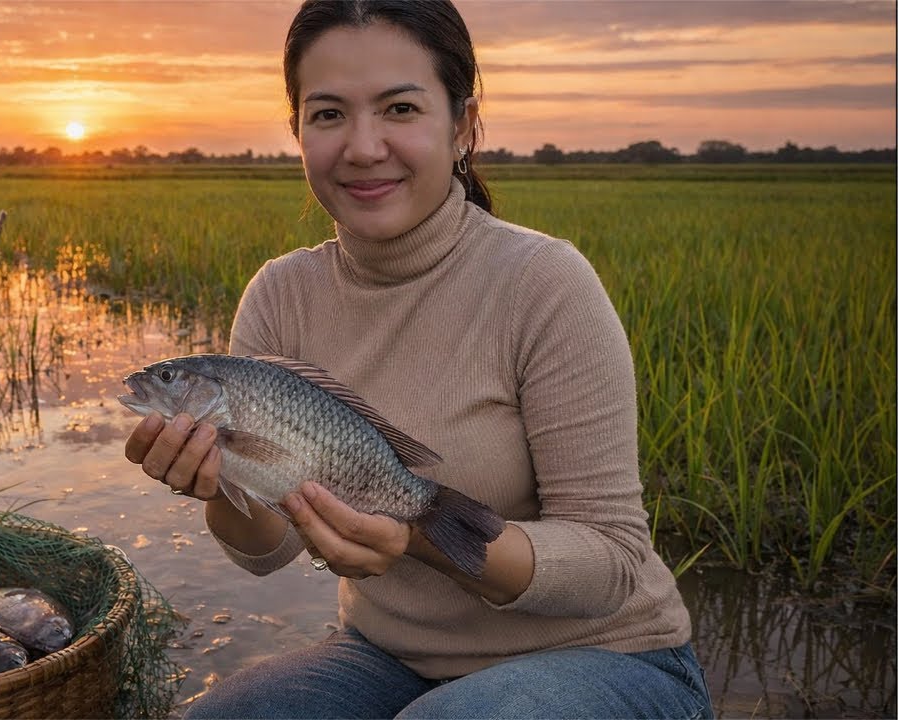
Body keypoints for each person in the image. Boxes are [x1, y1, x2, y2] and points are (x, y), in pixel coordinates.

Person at [124, 1, 713, 717]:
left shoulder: (544, 283)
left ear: (462, 127)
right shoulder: (281, 294)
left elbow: (611, 563)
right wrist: (220, 483)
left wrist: (417, 538)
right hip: (390, 657)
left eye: (400, 109)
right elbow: (267, 550)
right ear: (298, 132)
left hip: (607, 657)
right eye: (328, 114)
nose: (363, 147)